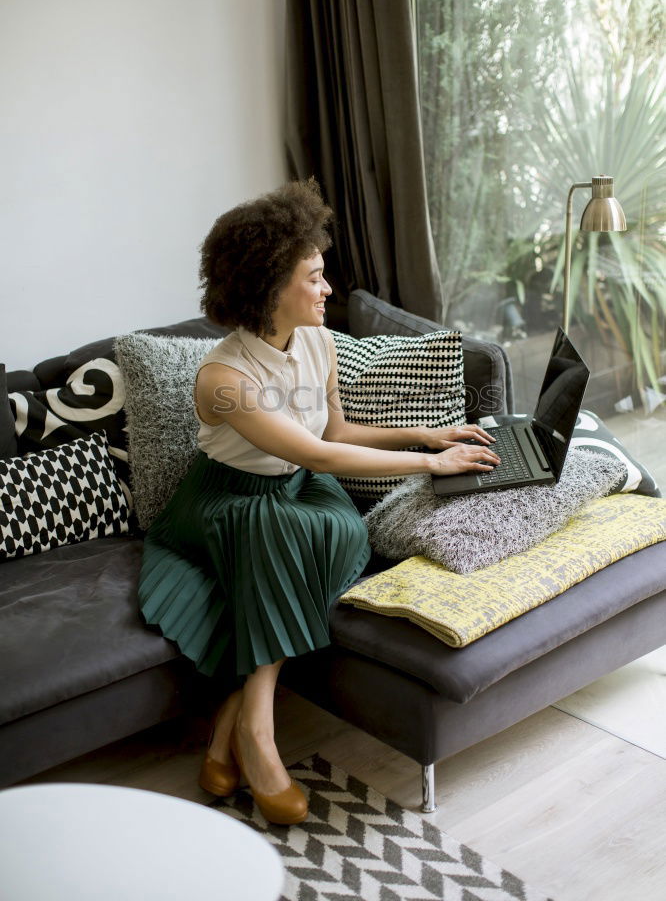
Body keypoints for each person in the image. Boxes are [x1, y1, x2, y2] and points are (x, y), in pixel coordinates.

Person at [138, 178, 499, 825]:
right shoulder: (222, 379)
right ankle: (260, 740)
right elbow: (319, 455)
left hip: (295, 488)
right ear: (268, 285)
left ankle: (231, 725)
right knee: (274, 536)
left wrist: (423, 430)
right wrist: (430, 462)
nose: (327, 288)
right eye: (313, 276)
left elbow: (334, 432)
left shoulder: (321, 343)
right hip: (227, 500)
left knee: (345, 535)